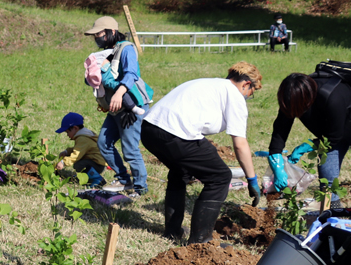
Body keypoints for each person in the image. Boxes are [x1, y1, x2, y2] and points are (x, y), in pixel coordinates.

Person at [141, 63, 262, 244]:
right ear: (246, 84)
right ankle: (200, 241)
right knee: (220, 177)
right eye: (250, 94)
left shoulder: (209, 83)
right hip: (175, 133)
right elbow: (240, 144)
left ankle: (173, 231)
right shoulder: (234, 95)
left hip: (149, 129)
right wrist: (252, 179)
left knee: (180, 171)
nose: (246, 97)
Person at [268, 71, 351, 201]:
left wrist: (309, 145)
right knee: (327, 180)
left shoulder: (331, 97)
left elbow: (334, 138)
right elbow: (281, 126)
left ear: (306, 99)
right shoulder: (291, 98)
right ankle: (332, 213)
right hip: (330, 132)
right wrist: (275, 156)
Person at [83, 16, 150, 196]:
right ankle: (123, 179)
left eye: (99, 34)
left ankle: (140, 186)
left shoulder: (126, 49)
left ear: (112, 32)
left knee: (129, 149)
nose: (96, 38)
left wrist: (120, 93)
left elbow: (131, 74)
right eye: (95, 35)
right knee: (104, 143)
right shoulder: (107, 51)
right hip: (115, 108)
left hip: (132, 106)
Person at [54, 112, 108, 188]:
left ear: (75, 128)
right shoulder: (84, 135)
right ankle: (87, 175)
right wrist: (67, 152)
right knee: (80, 162)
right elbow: (79, 149)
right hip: (97, 162)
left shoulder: (82, 138)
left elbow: (76, 155)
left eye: (67, 132)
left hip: (98, 164)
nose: (67, 135)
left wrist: (63, 162)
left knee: (78, 164)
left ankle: (97, 179)